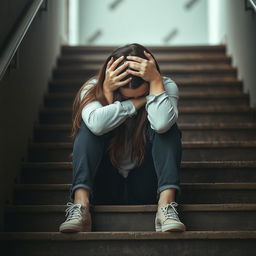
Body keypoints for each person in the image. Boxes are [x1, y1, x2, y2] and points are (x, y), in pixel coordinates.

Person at [59, 43, 186, 233]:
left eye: (140, 95)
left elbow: (161, 124)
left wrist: (156, 84)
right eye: (125, 97)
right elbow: (97, 125)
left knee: (167, 127)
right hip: (105, 183)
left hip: (146, 184)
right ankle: (81, 207)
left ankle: (166, 207)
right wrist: (115, 97)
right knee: (89, 128)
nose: (133, 99)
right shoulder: (92, 88)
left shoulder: (164, 85)